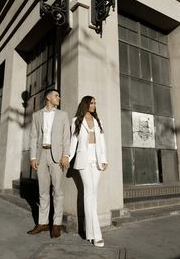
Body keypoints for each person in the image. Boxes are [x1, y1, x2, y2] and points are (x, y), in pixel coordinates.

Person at [27, 89, 70, 238]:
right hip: (41, 155)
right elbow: (33, 137)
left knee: (57, 191)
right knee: (43, 191)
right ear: (48, 97)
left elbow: (66, 137)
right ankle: (43, 223)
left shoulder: (63, 115)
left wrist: (66, 155)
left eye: (59, 95)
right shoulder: (36, 115)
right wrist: (33, 157)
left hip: (57, 156)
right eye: (56, 95)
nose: (59, 97)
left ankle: (56, 224)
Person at [69, 96, 108, 247]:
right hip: (83, 161)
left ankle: (90, 233)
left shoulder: (98, 121)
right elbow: (73, 142)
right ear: (85, 104)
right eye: (91, 103)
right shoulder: (76, 121)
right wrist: (67, 156)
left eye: (95, 103)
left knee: (93, 195)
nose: (94, 105)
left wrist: (104, 159)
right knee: (89, 192)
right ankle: (96, 234)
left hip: (96, 161)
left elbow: (102, 142)